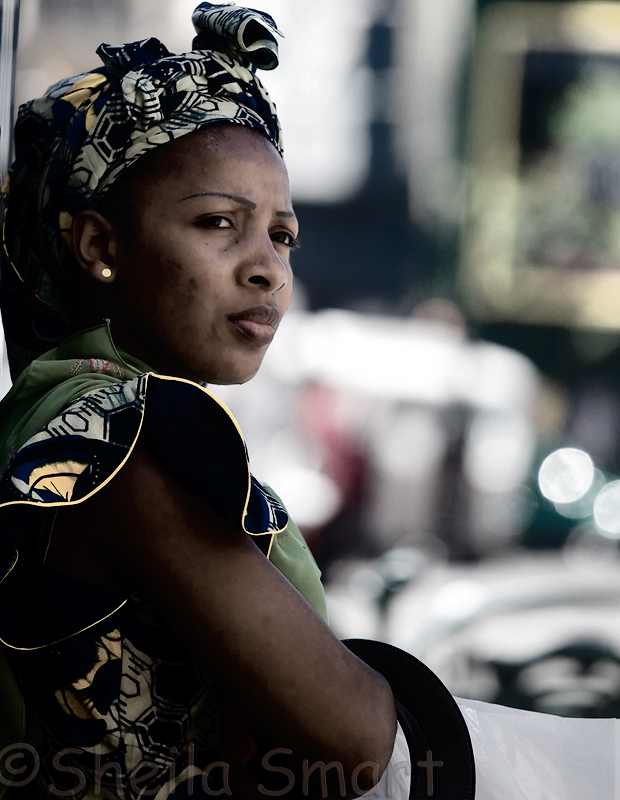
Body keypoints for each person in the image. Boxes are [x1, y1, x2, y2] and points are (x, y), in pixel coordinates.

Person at [0, 4, 399, 798]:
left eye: (282, 237)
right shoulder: (124, 437)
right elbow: (357, 740)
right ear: (100, 246)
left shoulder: (51, 414)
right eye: (219, 223)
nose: (267, 271)